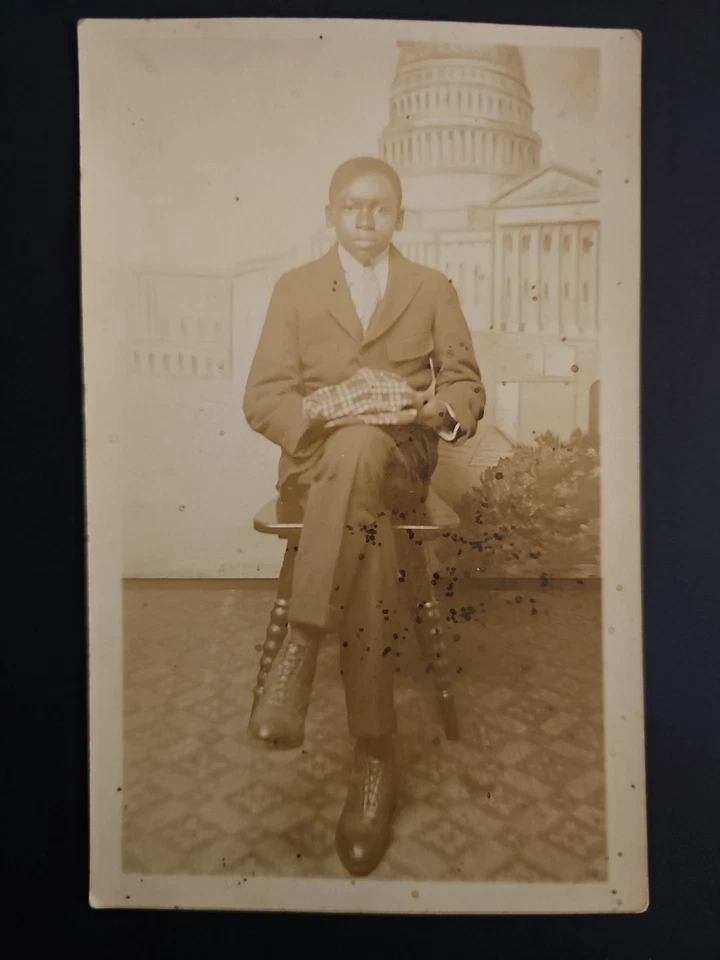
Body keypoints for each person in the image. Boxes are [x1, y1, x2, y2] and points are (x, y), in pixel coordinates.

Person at [243, 156, 485, 876]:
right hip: (316, 471)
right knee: (360, 492)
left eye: (381, 207)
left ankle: (302, 647)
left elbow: (467, 386)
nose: (366, 217)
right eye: (352, 206)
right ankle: (374, 755)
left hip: (402, 465)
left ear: (400, 218)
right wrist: (323, 411)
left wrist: (431, 409)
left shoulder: (432, 288)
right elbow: (263, 398)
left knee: (368, 460)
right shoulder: (294, 290)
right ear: (331, 214)